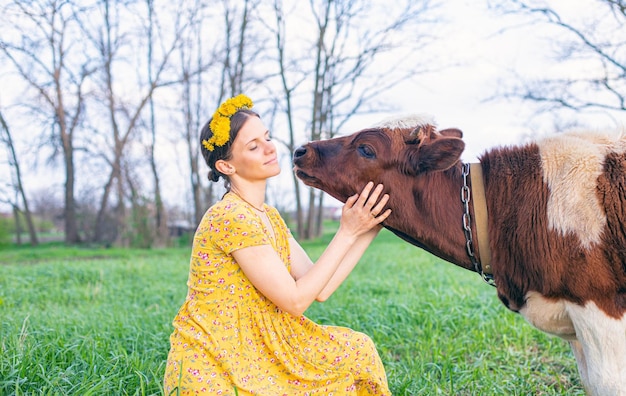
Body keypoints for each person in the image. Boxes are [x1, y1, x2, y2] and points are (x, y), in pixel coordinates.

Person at [163, 94, 392, 395]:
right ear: (226, 166)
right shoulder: (229, 216)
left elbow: (319, 287)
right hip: (217, 357)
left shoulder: (268, 215)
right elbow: (296, 302)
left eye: (267, 137)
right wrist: (347, 232)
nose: (270, 148)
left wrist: (369, 227)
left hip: (262, 346)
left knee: (358, 349)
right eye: (253, 146)